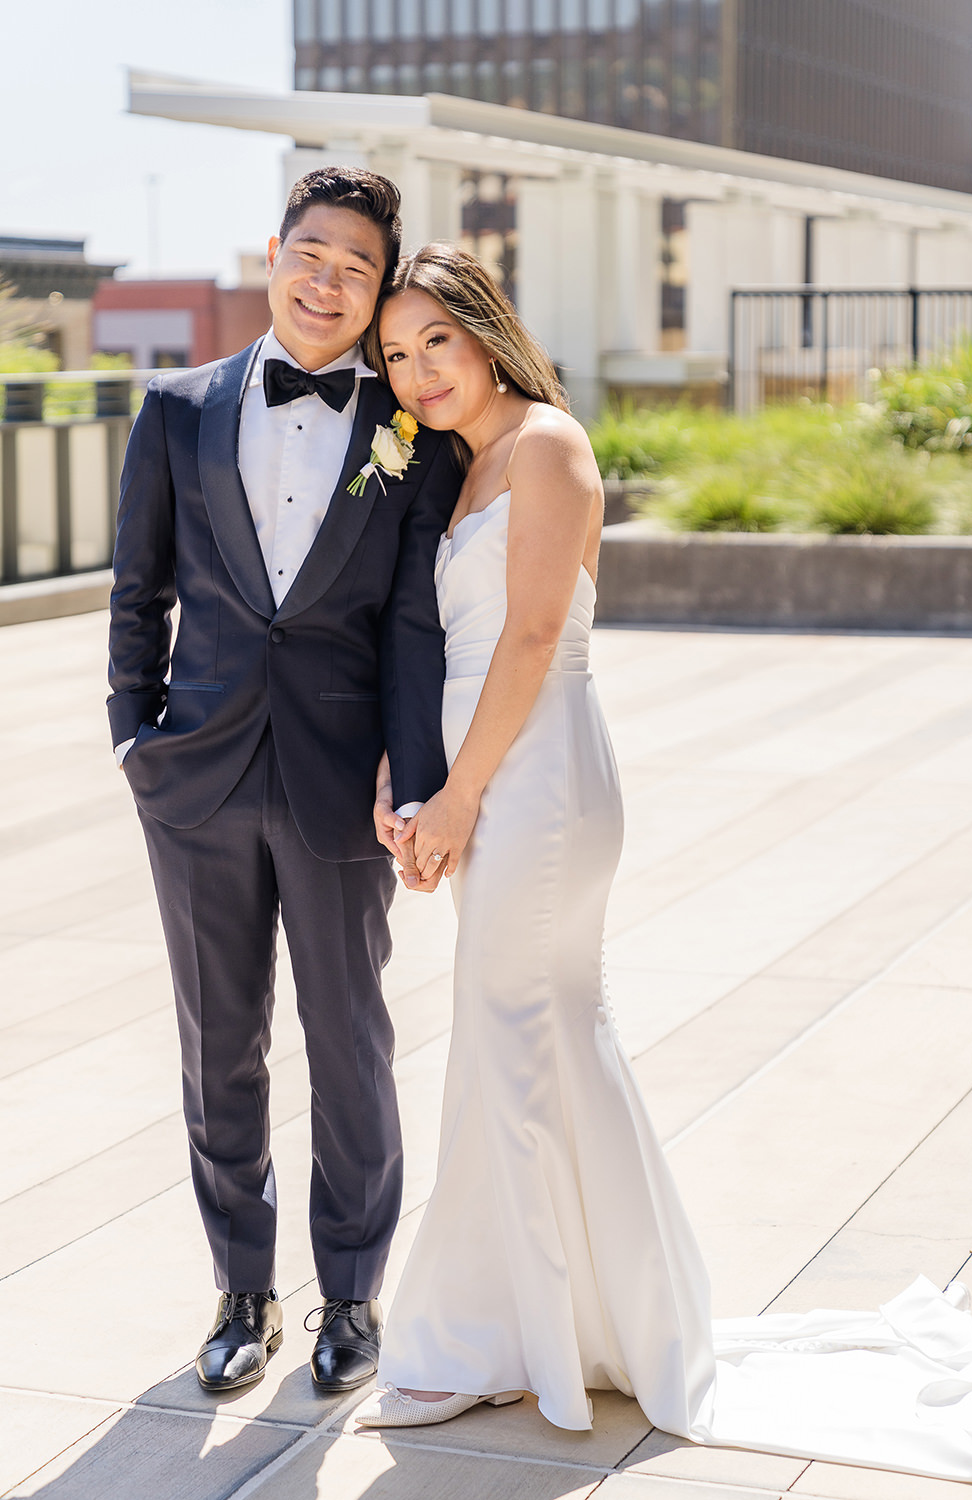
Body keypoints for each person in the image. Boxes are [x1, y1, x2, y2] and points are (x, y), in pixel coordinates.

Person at [354, 245, 972, 1487]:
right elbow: (436, 641)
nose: (416, 369)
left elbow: (534, 633)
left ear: (486, 328)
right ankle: (546, 1326)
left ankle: (535, 1332)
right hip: (485, 778)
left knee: (522, 1027)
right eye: (395, 352)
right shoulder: (458, 461)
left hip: (536, 781)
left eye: (435, 338)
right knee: (524, 1036)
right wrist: (412, 781)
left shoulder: (545, 442)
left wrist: (464, 794)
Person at [107, 169, 460, 1397]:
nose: (328, 282)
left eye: (356, 268)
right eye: (312, 255)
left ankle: (351, 1299)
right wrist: (130, 736)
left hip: (338, 790)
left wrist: (412, 782)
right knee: (219, 1044)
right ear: (275, 254)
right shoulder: (178, 406)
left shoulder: (411, 435)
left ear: (378, 290)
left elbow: (416, 626)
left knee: (349, 1038)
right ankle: (241, 1291)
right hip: (194, 778)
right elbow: (136, 590)